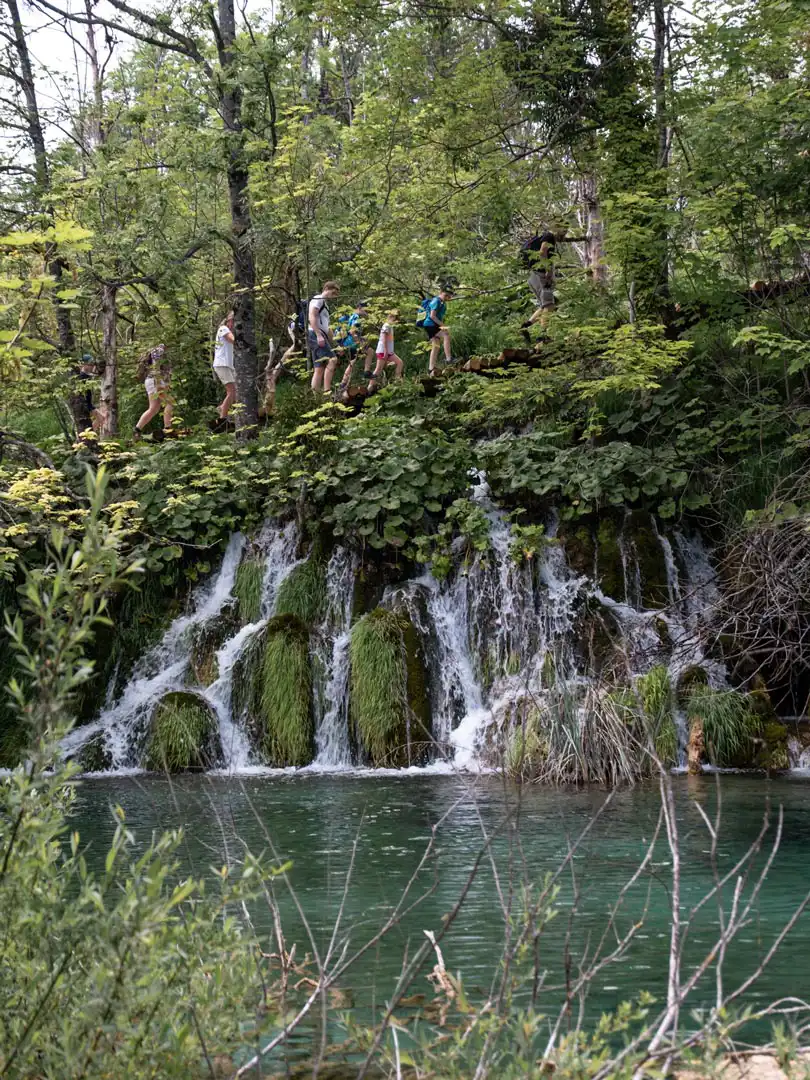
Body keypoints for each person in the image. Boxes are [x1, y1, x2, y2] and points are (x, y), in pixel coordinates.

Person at [134, 342, 173, 439]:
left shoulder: (162, 352)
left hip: (153, 381)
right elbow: (156, 367)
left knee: (154, 408)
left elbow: (167, 373)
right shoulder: (159, 351)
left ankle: (137, 430)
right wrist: (159, 383)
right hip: (155, 381)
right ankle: (168, 429)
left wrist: (167, 384)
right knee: (170, 403)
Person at [308, 280, 341, 393]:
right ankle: (327, 391)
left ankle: (316, 396)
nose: (334, 296)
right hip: (315, 334)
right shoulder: (318, 299)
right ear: (326, 289)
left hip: (320, 334)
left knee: (319, 368)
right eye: (333, 293)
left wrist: (336, 345)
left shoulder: (325, 305)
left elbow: (328, 327)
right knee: (332, 360)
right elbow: (312, 315)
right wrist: (318, 334)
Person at [337, 300, 375, 392]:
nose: (367, 311)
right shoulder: (356, 317)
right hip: (352, 343)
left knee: (352, 362)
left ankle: (343, 384)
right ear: (360, 308)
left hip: (348, 343)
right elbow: (352, 331)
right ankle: (366, 371)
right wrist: (360, 343)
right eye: (366, 309)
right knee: (370, 351)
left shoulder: (352, 316)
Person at [522, 230, 557, 330]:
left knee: (544, 306)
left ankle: (525, 327)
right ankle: (543, 337)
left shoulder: (541, 238)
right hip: (541, 276)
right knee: (549, 305)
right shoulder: (549, 235)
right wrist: (548, 270)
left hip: (533, 275)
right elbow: (542, 252)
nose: (565, 231)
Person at [423, 288, 453, 375]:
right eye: (446, 295)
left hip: (432, 324)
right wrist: (442, 325)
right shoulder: (436, 301)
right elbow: (432, 316)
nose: (447, 298)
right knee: (446, 334)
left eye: (449, 296)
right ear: (442, 293)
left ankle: (430, 368)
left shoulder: (441, 302)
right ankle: (449, 359)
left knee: (436, 346)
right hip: (431, 324)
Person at [370, 311, 404, 387]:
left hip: (389, 352)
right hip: (383, 351)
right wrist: (385, 351)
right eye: (395, 319)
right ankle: (370, 387)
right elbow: (384, 339)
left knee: (400, 363)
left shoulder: (390, 326)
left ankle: (397, 381)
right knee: (378, 369)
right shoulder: (386, 325)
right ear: (391, 317)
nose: (396, 321)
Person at [213, 310, 236, 419]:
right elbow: (233, 340)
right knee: (231, 391)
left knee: (235, 392)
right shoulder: (223, 329)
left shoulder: (228, 329)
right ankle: (222, 418)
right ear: (229, 321)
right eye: (233, 321)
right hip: (222, 364)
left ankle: (223, 407)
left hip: (228, 365)